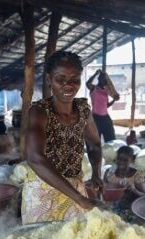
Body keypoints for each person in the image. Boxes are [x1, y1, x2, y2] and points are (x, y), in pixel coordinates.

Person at [23, 51, 104, 224]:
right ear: (48, 80)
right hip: (42, 190)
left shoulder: (83, 109)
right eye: (60, 79)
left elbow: (95, 144)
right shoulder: (39, 111)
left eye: (75, 79)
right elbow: (34, 158)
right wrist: (79, 198)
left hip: (75, 188)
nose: (68, 86)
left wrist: (97, 173)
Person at [86, 69, 120, 142]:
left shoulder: (105, 91)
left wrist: (114, 100)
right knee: (95, 140)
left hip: (106, 118)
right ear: (99, 78)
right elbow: (87, 83)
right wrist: (95, 74)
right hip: (96, 118)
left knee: (111, 140)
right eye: (102, 78)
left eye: (105, 79)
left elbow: (106, 105)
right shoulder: (94, 88)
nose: (104, 80)